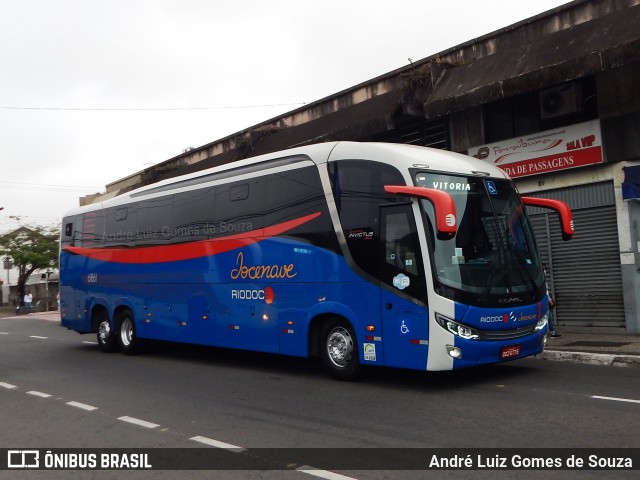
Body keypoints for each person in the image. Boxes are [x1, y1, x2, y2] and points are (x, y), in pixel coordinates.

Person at [543, 264, 560, 338]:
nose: (544, 271)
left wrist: (549, 300)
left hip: (546, 301)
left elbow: (546, 292)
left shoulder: (543, 281)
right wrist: (549, 300)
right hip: (543, 301)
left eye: (545, 269)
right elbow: (544, 292)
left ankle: (552, 332)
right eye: (543, 269)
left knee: (549, 317)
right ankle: (547, 334)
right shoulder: (540, 281)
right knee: (547, 317)